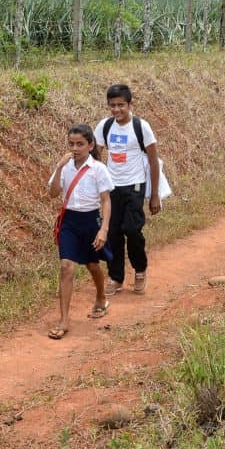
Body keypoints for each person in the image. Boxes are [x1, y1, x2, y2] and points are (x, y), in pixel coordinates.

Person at [47, 124, 114, 339]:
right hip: (69, 221)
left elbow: (106, 200)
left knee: (92, 264)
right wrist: (58, 167)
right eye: (71, 144)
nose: (75, 148)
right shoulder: (65, 167)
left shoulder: (98, 169)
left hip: (90, 220)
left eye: (80, 144)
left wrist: (103, 229)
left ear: (90, 145)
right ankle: (64, 320)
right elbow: (53, 192)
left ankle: (101, 297)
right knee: (66, 267)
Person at [95, 83, 161, 296]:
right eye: (112, 105)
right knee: (112, 233)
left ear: (130, 104)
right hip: (111, 188)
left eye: (121, 105)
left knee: (132, 231)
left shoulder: (141, 127)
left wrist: (154, 195)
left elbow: (153, 161)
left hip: (135, 186)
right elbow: (96, 156)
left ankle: (140, 271)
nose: (116, 110)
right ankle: (116, 277)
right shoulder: (104, 127)